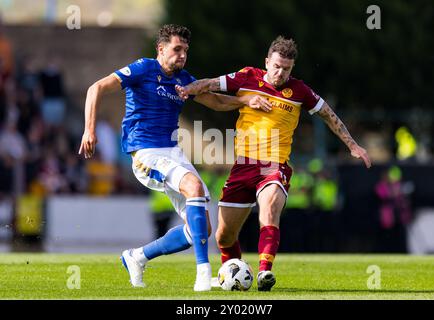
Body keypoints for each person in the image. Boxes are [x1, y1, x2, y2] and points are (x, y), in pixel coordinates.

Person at [78, 24, 271, 291]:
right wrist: (89, 130)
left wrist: (246, 101)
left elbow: (215, 101)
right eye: (177, 49)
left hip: (172, 152)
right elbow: (95, 88)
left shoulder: (184, 81)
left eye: (185, 51)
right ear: (161, 49)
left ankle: (137, 257)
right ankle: (203, 275)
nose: (182, 55)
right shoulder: (143, 68)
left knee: (201, 229)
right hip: (145, 152)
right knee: (193, 186)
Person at [176, 36, 371, 291]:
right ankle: (233, 276)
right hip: (243, 166)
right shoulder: (246, 78)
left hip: (274, 166)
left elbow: (328, 114)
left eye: (287, 68)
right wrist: (186, 90)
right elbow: (210, 84)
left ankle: (264, 272)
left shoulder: (299, 91)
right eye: (277, 66)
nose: (280, 73)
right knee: (224, 236)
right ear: (267, 62)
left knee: (269, 209)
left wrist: (352, 145)